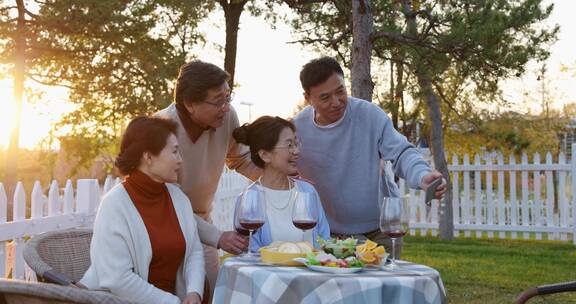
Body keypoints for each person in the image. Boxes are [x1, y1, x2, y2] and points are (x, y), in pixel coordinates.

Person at [293, 56, 447, 254]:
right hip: (331, 235)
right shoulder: (298, 130)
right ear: (308, 98)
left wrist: (422, 176)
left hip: (381, 231)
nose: (337, 102)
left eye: (341, 91)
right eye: (325, 97)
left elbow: (401, 152)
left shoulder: (370, 115)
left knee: (387, 285)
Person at [154, 60, 261, 298]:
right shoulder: (161, 129)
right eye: (218, 100)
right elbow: (168, 204)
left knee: (217, 293)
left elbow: (241, 159)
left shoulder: (226, 116)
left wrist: (278, 176)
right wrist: (218, 237)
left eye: (228, 97)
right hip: (163, 228)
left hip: (202, 223)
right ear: (190, 104)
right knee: (178, 294)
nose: (226, 106)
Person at [80, 117, 204, 304]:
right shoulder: (114, 205)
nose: (180, 160)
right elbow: (118, 279)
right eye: (174, 152)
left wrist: (194, 292)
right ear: (148, 157)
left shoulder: (178, 199)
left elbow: (194, 251)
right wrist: (172, 302)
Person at [232, 116, 330, 252]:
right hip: (269, 273)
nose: (296, 151)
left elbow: (324, 242)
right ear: (265, 155)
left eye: (296, 144)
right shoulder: (249, 199)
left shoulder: (308, 191)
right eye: (289, 145)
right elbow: (251, 254)